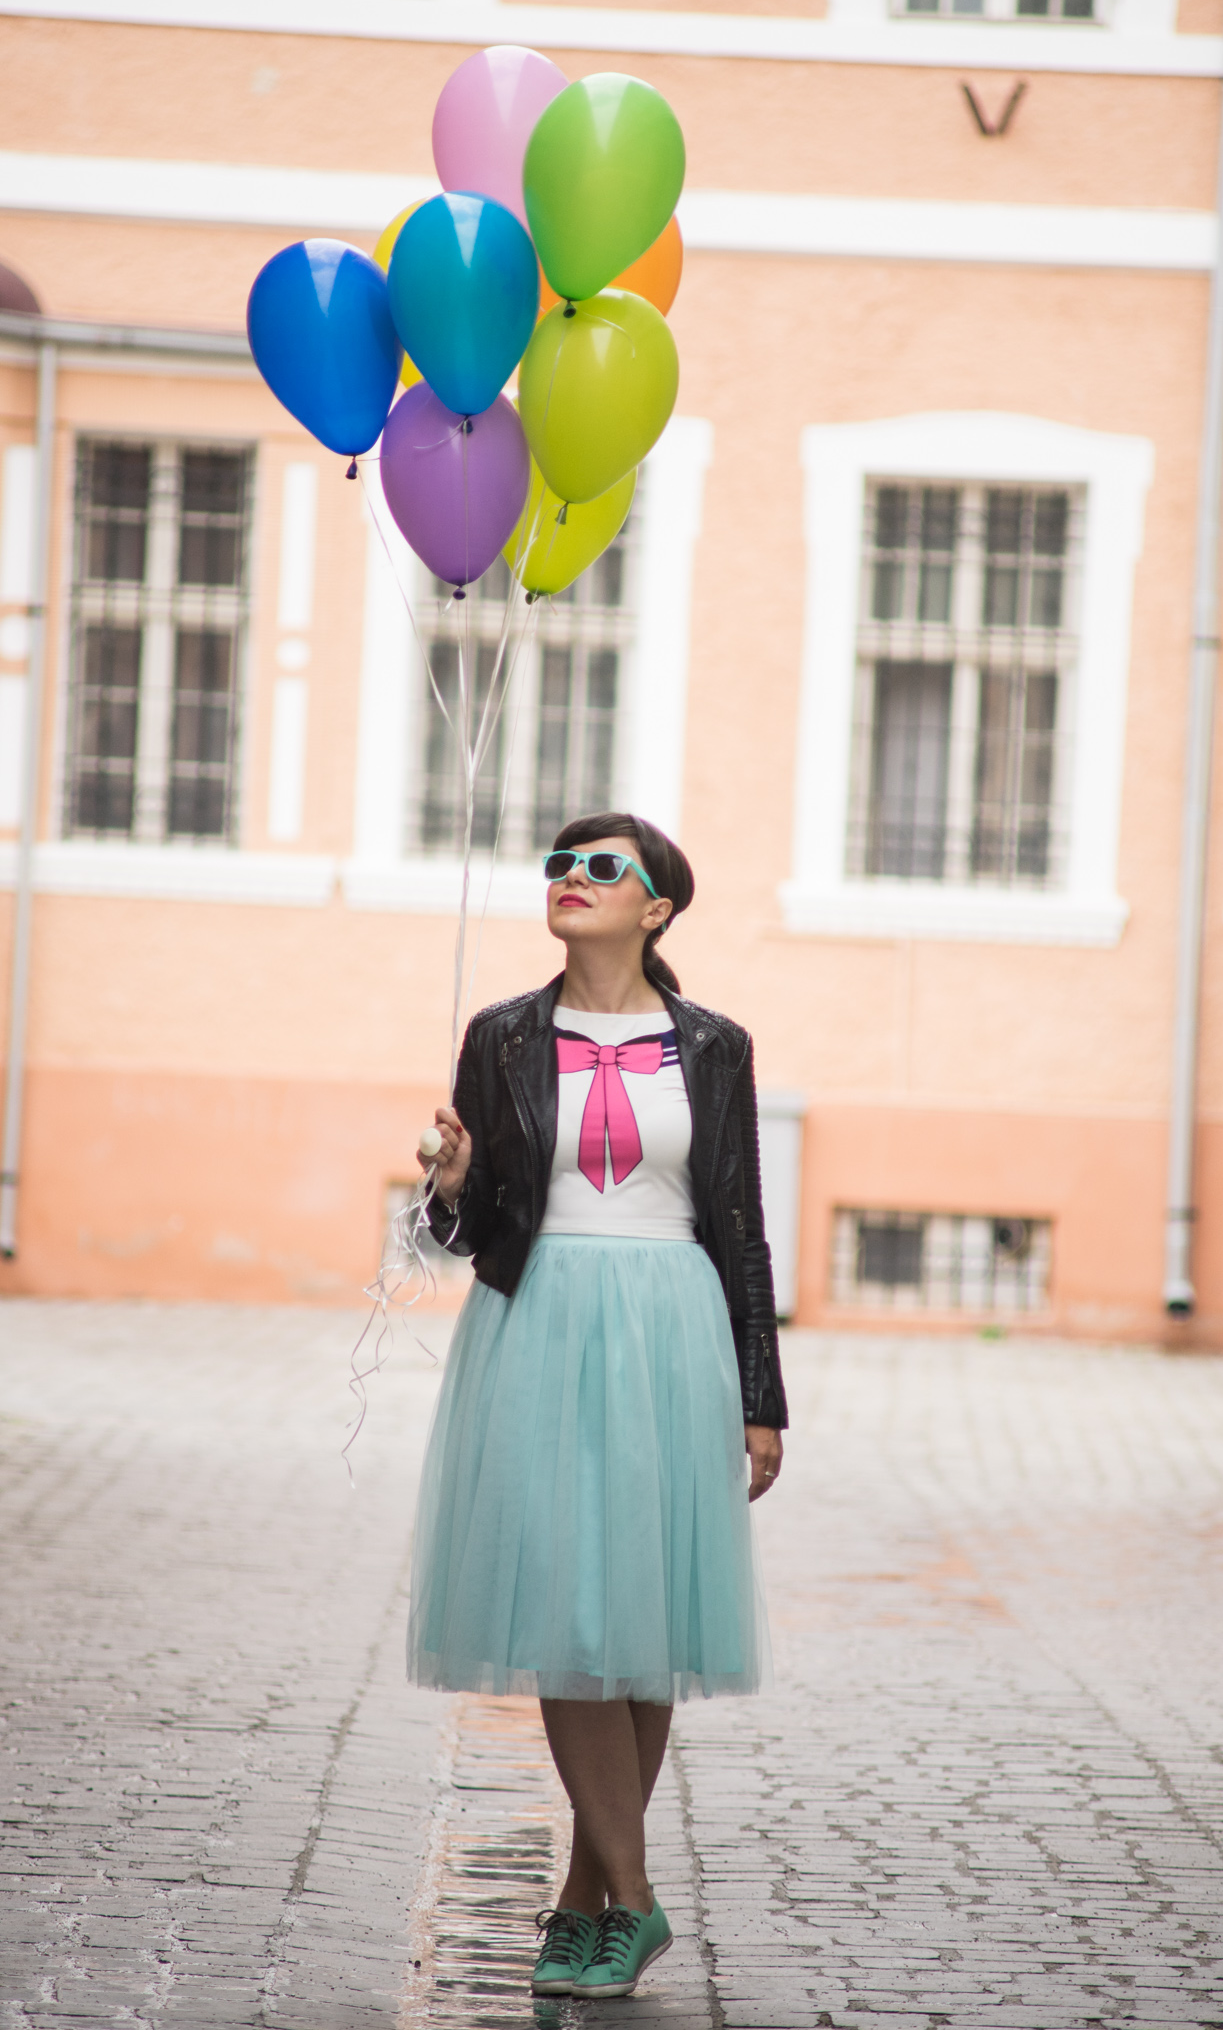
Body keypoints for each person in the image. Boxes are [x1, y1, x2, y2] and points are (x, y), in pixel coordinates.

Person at [408, 809, 788, 2002]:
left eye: (601, 866)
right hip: (541, 1322)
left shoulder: (716, 1046)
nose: (572, 879)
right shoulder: (503, 1034)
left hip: (673, 1328)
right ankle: (638, 1896)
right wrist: (452, 1184)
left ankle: (582, 1906)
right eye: (559, 864)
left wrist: (762, 1394)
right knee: (574, 1605)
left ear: (657, 905)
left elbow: (740, 1222)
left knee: (646, 1612)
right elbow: (463, 1236)